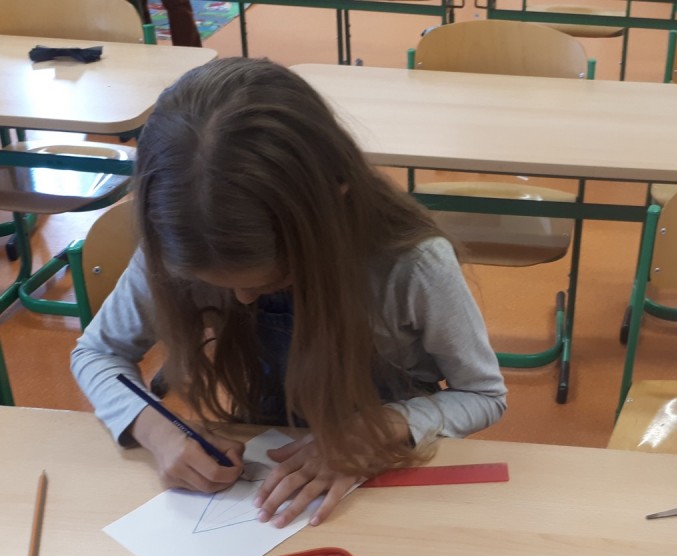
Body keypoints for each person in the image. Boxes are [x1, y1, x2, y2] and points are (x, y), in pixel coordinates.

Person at [71, 57, 507, 526]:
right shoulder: (180, 241)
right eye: (219, 286)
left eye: (268, 283)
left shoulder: (412, 264)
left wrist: (384, 427)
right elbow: (96, 354)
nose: (242, 300)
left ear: (332, 204)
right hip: (267, 468)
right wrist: (159, 433)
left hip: (387, 470)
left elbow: (484, 395)